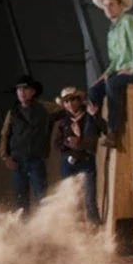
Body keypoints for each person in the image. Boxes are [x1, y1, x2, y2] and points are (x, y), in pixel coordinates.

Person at [86, 0, 133, 143]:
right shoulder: (112, 30)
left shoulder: (130, 21)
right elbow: (116, 59)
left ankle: (114, 130)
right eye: (105, 5)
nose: (108, 8)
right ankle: (93, 134)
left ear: (120, 5)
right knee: (93, 91)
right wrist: (106, 73)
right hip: (123, 70)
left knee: (113, 84)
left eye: (111, 4)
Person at [0, 76, 52, 212]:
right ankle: (23, 229)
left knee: (42, 196)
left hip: (36, 159)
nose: (22, 92)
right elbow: (4, 134)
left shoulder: (45, 108)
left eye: (25, 89)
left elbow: (64, 108)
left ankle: (45, 227)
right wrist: (5, 157)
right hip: (17, 161)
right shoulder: (12, 112)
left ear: (33, 92)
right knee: (21, 200)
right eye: (19, 89)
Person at [53, 86, 103, 225]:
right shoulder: (64, 122)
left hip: (85, 161)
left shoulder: (89, 116)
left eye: (72, 100)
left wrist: (96, 116)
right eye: (66, 102)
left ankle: (96, 230)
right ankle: (78, 233)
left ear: (79, 100)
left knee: (89, 199)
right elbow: (56, 144)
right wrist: (67, 143)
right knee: (72, 200)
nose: (70, 104)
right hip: (67, 163)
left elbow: (103, 129)